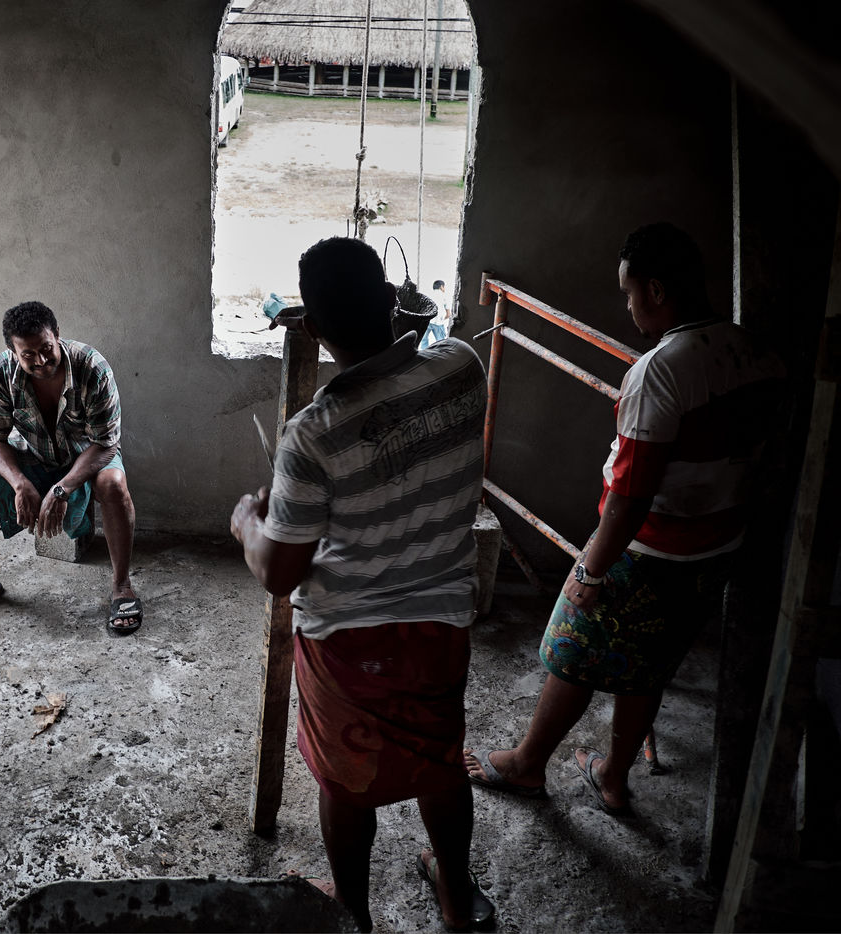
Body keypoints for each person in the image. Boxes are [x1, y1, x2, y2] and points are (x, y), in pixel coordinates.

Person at [463, 222, 786, 815]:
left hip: (648, 549)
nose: (629, 306)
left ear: (656, 290)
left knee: (571, 649)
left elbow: (632, 494)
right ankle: (613, 776)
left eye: (630, 293)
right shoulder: (756, 352)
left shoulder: (662, 370)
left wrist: (591, 569)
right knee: (649, 663)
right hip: (716, 545)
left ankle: (528, 765)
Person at [231, 237, 494, 932]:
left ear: (312, 328)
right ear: (390, 301)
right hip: (440, 624)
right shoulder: (462, 369)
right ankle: (457, 897)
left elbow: (280, 574)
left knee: (347, 782)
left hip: (349, 643)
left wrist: (249, 523)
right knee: (440, 761)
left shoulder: (313, 434)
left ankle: (353, 915)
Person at [0, 300, 141, 635]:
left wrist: (62, 489)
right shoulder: (0, 372)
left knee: (113, 484)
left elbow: (106, 443)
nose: (41, 360)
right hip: (30, 453)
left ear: (57, 335)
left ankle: (122, 586)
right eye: (28, 355)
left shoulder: (93, 367)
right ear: (13, 352)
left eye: (47, 348)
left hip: (87, 455)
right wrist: (19, 483)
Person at [420, 279, 451, 349]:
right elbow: (448, 314)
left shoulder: (428, 295)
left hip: (427, 321)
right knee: (441, 342)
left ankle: (424, 353)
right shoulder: (444, 296)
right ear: (441, 287)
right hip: (438, 322)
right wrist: (442, 319)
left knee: (423, 340)